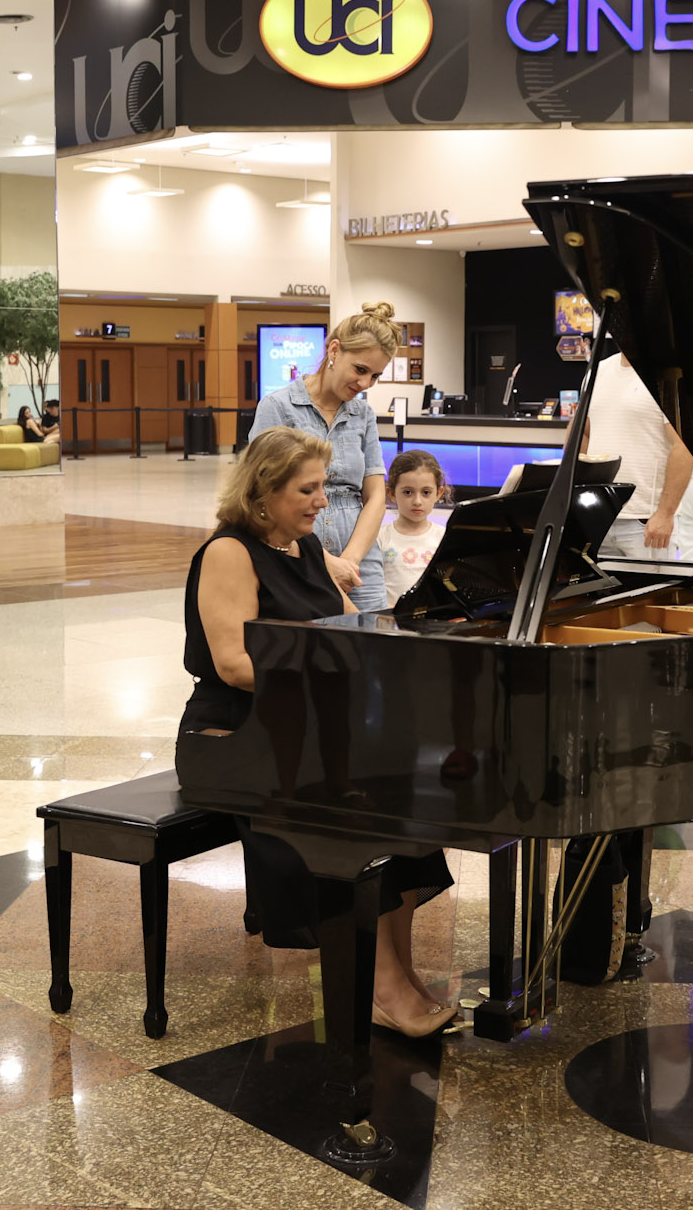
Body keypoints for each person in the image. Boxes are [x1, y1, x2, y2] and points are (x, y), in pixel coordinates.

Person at [182, 427, 455, 1036]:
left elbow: (350, 633)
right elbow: (233, 665)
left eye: (322, 489)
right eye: (307, 490)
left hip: (305, 725)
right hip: (235, 733)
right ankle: (379, 985)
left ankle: (399, 970)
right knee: (360, 811)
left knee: (408, 803)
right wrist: (330, 681)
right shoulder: (229, 551)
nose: (321, 503)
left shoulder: (305, 549)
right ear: (263, 492)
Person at [249, 301, 396, 609]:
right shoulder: (278, 407)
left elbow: (375, 497)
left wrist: (351, 562)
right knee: (315, 649)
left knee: (375, 647)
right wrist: (322, 560)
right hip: (296, 550)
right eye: (360, 369)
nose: (365, 383)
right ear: (334, 351)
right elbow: (261, 493)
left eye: (375, 376)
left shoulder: (363, 414)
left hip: (360, 558)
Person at [583, 348, 693, 559]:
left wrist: (665, 513)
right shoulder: (598, 371)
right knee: (599, 592)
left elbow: (684, 446)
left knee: (653, 592)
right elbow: (583, 434)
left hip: (646, 524)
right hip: (598, 519)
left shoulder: (667, 373)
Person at [378, 449, 446, 599]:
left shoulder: (445, 538)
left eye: (426, 492)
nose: (417, 501)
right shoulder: (379, 537)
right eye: (408, 492)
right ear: (391, 493)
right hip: (389, 619)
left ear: (439, 493)